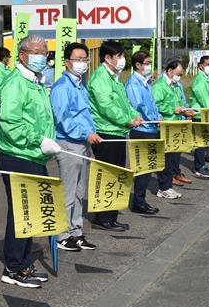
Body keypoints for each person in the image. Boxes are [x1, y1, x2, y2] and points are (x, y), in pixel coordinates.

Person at [0, 34, 60, 288]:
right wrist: (38, 140)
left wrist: (47, 141)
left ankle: (22, 261)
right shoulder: (15, 83)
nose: (42, 56)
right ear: (22, 54)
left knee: (30, 211)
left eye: (44, 52)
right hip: (17, 155)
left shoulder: (36, 81)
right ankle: (13, 267)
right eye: (36, 51)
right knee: (21, 211)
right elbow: (11, 122)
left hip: (34, 154)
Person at [87, 40, 144, 231]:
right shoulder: (100, 78)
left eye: (122, 56)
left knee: (116, 173)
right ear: (107, 58)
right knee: (108, 175)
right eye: (119, 56)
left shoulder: (114, 77)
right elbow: (107, 107)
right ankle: (103, 218)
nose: (122, 60)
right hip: (106, 132)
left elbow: (123, 102)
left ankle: (109, 215)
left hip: (118, 131)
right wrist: (126, 120)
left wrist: (134, 115)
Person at [50, 42, 101, 252]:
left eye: (84, 59)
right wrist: (85, 134)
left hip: (82, 144)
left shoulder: (80, 85)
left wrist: (90, 136)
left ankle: (76, 231)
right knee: (68, 192)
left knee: (80, 191)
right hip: (68, 143)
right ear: (66, 62)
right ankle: (62, 234)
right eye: (77, 59)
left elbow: (85, 115)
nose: (82, 63)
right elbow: (64, 119)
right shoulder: (62, 87)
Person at [126, 50, 176, 211]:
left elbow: (152, 104)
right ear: (138, 65)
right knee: (143, 168)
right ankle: (138, 202)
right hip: (142, 128)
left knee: (148, 168)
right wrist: (153, 118)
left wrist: (157, 116)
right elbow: (139, 105)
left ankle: (141, 200)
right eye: (146, 63)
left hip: (151, 127)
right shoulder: (133, 83)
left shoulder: (145, 82)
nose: (149, 66)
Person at [150, 58, 195, 188]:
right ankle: (166, 182)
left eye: (181, 75)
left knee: (174, 154)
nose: (179, 77)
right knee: (166, 156)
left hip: (177, 124)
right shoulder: (158, 86)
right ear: (170, 71)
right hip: (165, 126)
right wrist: (173, 110)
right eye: (178, 74)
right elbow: (156, 105)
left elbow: (181, 102)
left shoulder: (176, 85)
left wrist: (186, 111)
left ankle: (173, 176)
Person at [189, 55, 209, 179]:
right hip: (200, 114)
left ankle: (202, 165)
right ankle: (199, 167)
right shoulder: (200, 80)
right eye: (207, 65)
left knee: (204, 141)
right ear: (201, 66)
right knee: (200, 142)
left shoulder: (206, 78)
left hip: (205, 113)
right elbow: (203, 98)